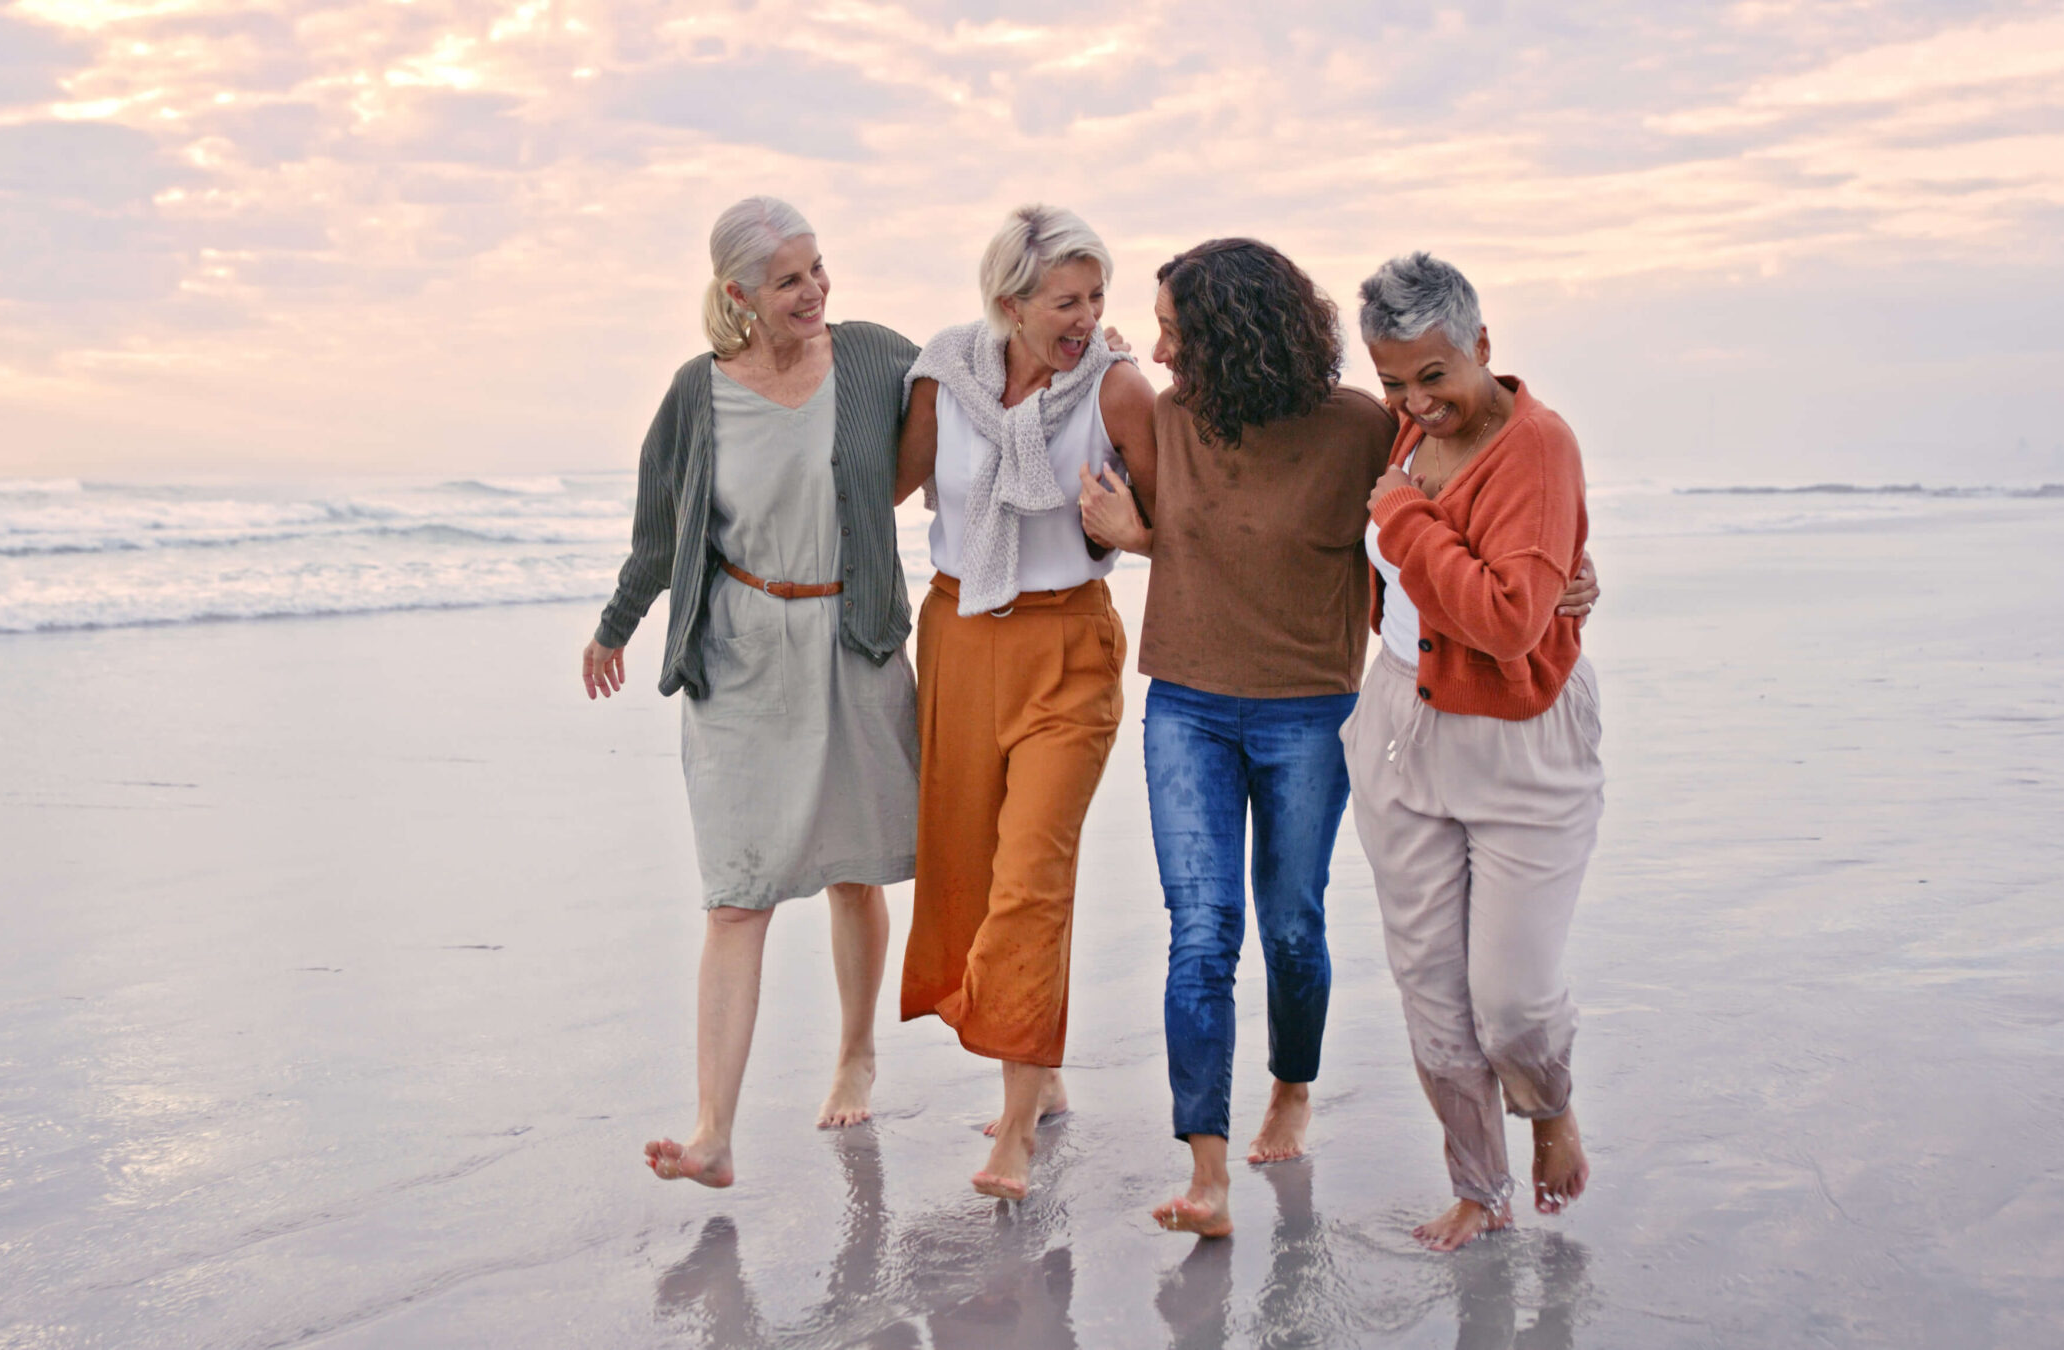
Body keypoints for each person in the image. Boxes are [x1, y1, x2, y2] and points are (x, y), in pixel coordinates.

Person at [1078, 241, 1599, 1240]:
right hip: (1217, 706)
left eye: (1179, 333)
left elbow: (1476, 536)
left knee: (1301, 931)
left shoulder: (1372, 431)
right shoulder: (1182, 413)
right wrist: (1134, 534)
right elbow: (1157, 485)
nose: (1159, 348)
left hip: (1320, 710)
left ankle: (1316, 1089)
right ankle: (1214, 1173)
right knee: (1207, 937)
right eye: (1398, 378)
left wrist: (1566, 586)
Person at [585, 196, 923, 1188]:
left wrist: (1089, 355)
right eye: (788, 280)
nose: (814, 292)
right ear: (738, 294)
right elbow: (660, 528)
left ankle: (857, 1048)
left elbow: (978, 380)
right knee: (737, 893)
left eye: (818, 270)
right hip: (740, 654)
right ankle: (712, 1134)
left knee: (855, 870)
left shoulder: (870, 358)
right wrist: (617, 622)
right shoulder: (698, 395)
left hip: (852, 636)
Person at [892, 204, 1158, 1201]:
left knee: (1030, 876)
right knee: (965, 864)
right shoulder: (944, 376)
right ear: (1008, 302)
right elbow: (879, 486)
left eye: (1096, 298)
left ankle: (1013, 1127)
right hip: (958, 635)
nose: (1085, 318)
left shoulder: (1118, 389)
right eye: (1065, 301)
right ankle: (1038, 1071)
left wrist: (1128, 529)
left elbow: (1179, 525)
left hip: (1067, 646)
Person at [1345, 251, 1604, 1250]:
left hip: (1519, 741)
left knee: (1511, 1000)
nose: (1416, 402)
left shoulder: (1538, 446)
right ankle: (1479, 1186)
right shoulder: (1406, 431)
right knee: (1428, 990)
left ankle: (1547, 1108)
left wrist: (1403, 517)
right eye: (1394, 383)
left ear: (1482, 349)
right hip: (1401, 729)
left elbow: (1504, 620)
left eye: (1433, 376)